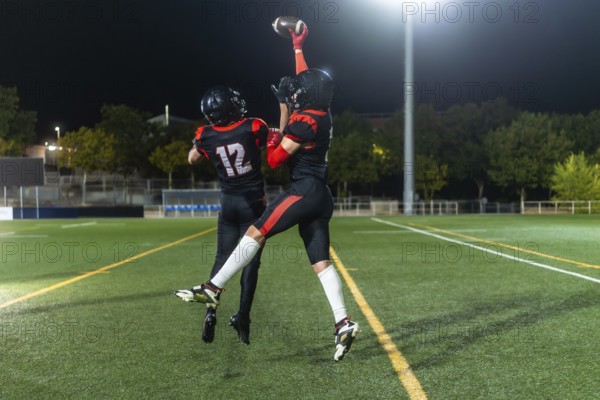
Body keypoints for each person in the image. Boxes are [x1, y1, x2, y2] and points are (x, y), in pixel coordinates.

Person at [176, 26, 359, 361]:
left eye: (300, 93)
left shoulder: (305, 121)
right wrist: (298, 45)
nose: (297, 91)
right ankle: (342, 323)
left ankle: (213, 288)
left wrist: (284, 107)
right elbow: (307, 80)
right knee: (320, 262)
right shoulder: (322, 110)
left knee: (256, 230)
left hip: (305, 190)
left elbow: (274, 160)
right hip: (321, 195)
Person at [181, 85, 268, 345]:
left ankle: (211, 312)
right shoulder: (253, 126)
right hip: (253, 205)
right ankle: (243, 317)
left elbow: (191, 158)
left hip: (228, 203)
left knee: (222, 258)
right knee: (250, 263)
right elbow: (274, 146)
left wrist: (208, 144)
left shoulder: (206, 135)